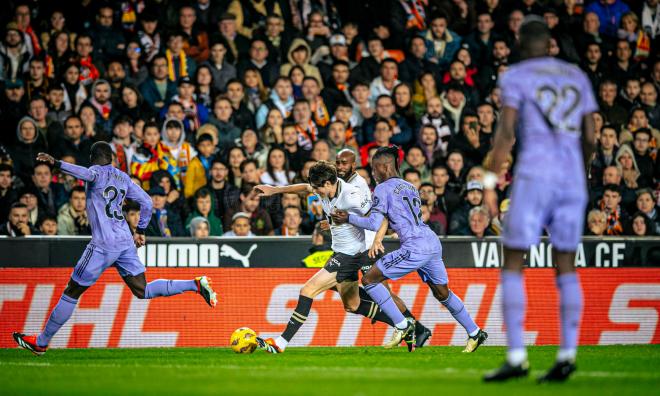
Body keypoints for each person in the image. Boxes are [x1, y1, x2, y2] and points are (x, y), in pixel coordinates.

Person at [13, 143, 218, 355]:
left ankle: (42, 341)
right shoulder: (123, 177)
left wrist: (57, 164)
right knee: (143, 289)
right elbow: (147, 202)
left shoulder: (95, 172)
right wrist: (140, 230)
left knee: (72, 291)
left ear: (94, 156)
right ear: (110, 157)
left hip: (103, 244)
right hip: (125, 241)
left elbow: (83, 173)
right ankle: (195, 284)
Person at [482, 19, 598, 382]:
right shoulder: (577, 75)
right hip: (573, 178)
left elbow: (506, 131)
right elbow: (592, 134)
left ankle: (517, 356)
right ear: (550, 44)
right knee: (566, 262)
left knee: (513, 258)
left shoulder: (515, 76)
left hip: (534, 174)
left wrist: (490, 177)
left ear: (520, 42)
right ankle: (567, 354)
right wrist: (581, 170)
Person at [253, 157, 431, 353]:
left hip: (353, 254)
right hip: (343, 251)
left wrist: (378, 240)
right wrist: (275, 190)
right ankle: (408, 326)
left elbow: (380, 217)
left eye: (318, 189)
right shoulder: (325, 187)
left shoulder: (351, 196)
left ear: (328, 183)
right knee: (353, 304)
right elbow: (305, 187)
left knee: (308, 290)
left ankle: (280, 343)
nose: (316, 192)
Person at [331, 146, 487, 352]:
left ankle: (403, 325)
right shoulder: (409, 186)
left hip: (415, 246)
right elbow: (390, 217)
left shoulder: (382, 188)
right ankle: (475, 332)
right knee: (442, 293)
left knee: (369, 280)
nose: (374, 174)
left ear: (385, 166)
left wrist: (347, 218)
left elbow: (374, 222)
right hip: (431, 241)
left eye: (375, 169)